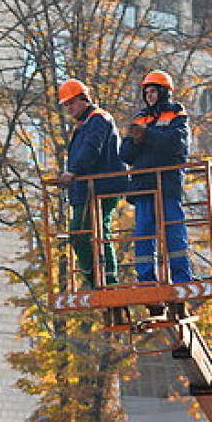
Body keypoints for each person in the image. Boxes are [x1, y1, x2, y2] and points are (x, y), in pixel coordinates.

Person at [119, 69, 195, 285]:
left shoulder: (176, 114)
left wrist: (147, 134)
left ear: (164, 92)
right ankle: (145, 279)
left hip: (167, 185)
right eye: (147, 92)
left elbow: (176, 145)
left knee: (174, 233)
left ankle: (181, 278)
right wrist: (135, 140)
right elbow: (124, 154)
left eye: (153, 91)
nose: (150, 95)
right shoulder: (140, 118)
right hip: (144, 187)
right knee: (143, 235)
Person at [55, 79, 127, 289]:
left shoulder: (98, 120)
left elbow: (91, 148)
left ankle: (105, 280)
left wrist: (73, 171)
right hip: (88, 189)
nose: (69, 108)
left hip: (101, 187)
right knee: (86, 233)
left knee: (85, 232)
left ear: (84, 99)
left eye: (72, 103)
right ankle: (99, 279)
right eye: (66, 105)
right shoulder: (85, 124)